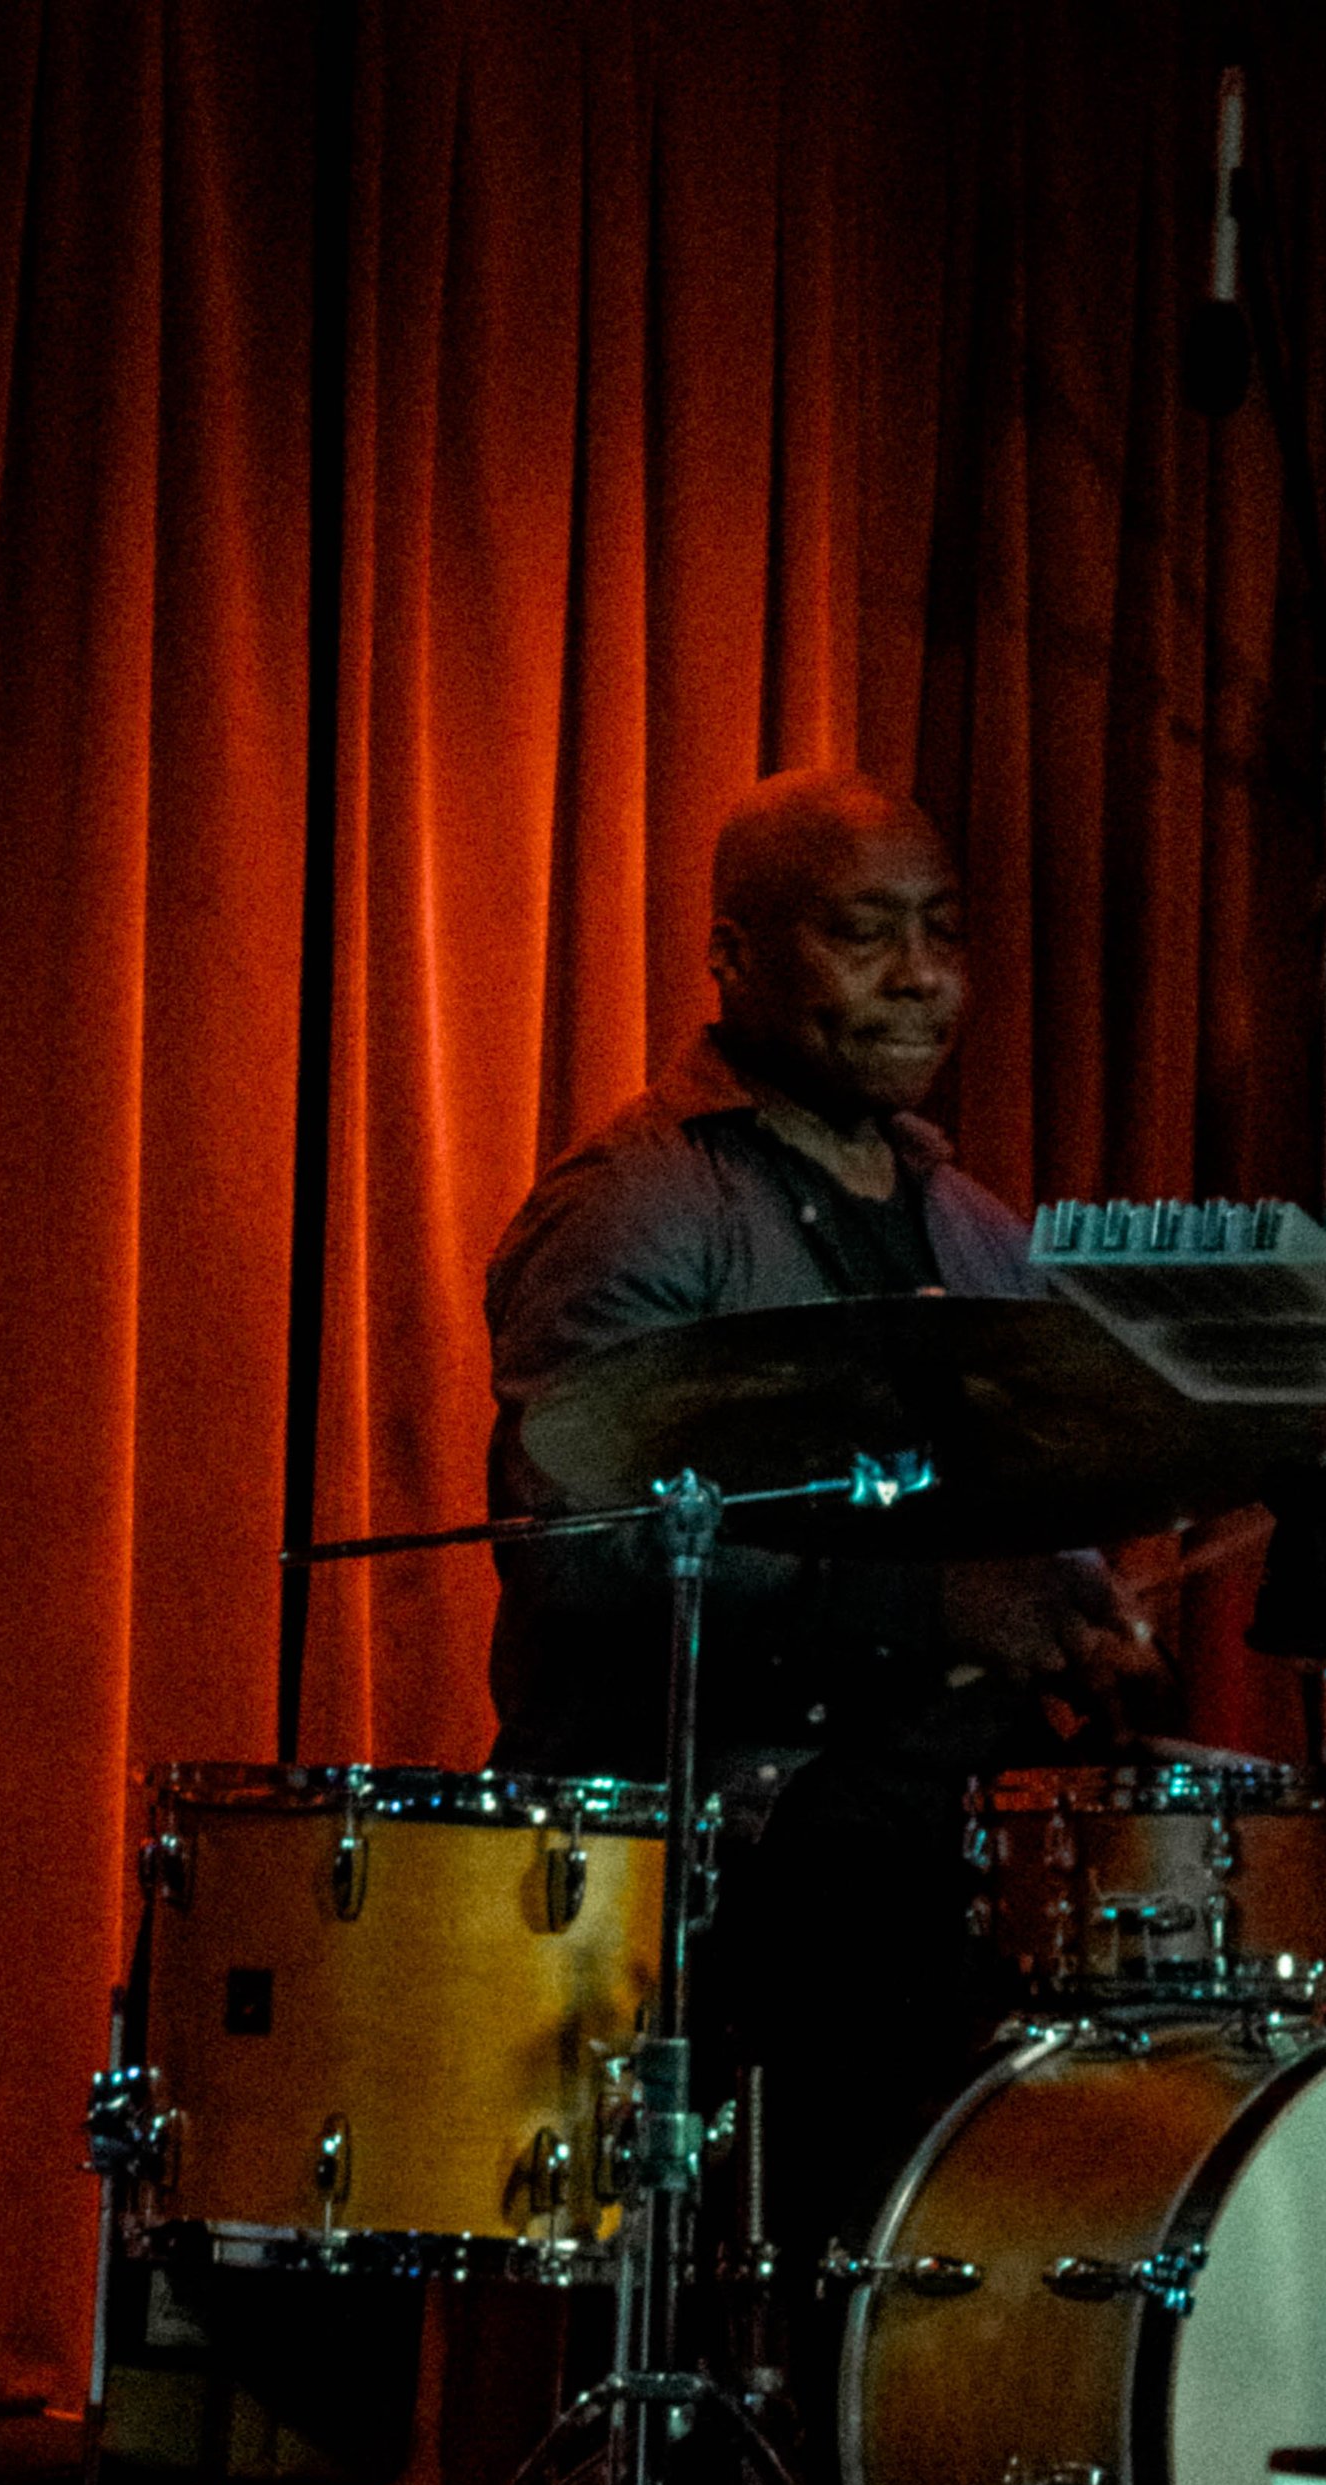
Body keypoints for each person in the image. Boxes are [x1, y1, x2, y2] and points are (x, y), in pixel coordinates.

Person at [485, 768, 1152, 2241]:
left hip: (936, 1818)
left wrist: (1074, 1616)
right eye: (866, 933)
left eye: (944, 930)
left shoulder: (979, 1230)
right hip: (721, 1841)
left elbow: (1027, 1522)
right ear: (733, 956)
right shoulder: (642, 1205)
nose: (922, 975)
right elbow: (583, 1557)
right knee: (897, 1893)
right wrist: (930, 1607)